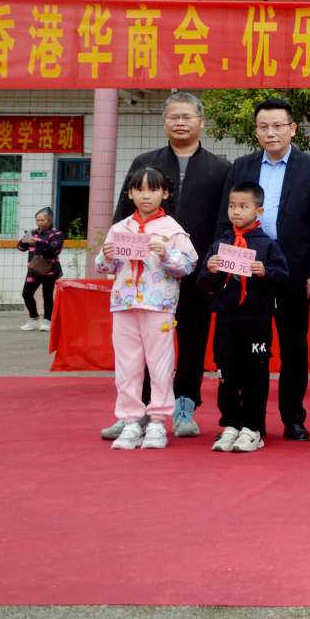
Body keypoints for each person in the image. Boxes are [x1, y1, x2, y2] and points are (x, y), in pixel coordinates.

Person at [103, 92, 230, 441]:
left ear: (201, 121)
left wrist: (213, 266)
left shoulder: (220, 168)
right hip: (149, 277)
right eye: (174, 117)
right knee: (141, 347)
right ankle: (137, 412)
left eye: (187, 117)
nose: (180, 123)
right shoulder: (146, 162)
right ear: (165, 122)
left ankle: (185, 405)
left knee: (192, 339)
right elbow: (123, 216)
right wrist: (115, 254)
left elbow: (224, 221)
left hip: (197, 272)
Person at [217, 98, 310, 442]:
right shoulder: (241, 167)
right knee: (246, 348)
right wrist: (223, 261)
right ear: (256, 131)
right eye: (263, 127)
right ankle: (250, 418)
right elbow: (224, 219)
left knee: (293, 345)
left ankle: (293, 417)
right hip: (244, 272)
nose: (271, 133)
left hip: (292, 272)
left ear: (292, 129)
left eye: (278, 126)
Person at [96, 168, 198, 451]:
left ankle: (157, 420)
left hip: (159, 305)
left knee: (160, 364)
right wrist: (106, 257)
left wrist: (166, 253)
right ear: (130, 194)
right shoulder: (120, 229)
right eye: (139, 190)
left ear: (164, 193)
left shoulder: (172, 230)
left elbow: (188, 265)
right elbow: (104, 266)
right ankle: (130, 420)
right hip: (124, 304)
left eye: (152, 190)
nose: (145, 196)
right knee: (127, 365)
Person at [198, 182, 289, 454]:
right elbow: (203, 283)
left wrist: (265, 272)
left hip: (256, 321)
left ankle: (253, 427)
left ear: (259, 210)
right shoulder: (220, 245)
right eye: (232, 206)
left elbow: (283, 280)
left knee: (254, 373)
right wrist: (211, 270)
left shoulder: (268, 245)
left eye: (243, 206)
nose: (236, 212)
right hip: (226, 320)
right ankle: (231, 423)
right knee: (226, 373)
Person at [17, 207, 63, 332]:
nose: (39, 223)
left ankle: (47, 321)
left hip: (50, 269)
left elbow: (54, 249)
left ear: (49, 220)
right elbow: (20, 248)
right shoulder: (32, 233)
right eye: (37, 220)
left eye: (42, 220)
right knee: (26, 293)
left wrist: (37, 242)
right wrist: (24, 241)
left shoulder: (57, 234)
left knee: (47, 295)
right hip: (34, 269)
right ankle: (33, 319)